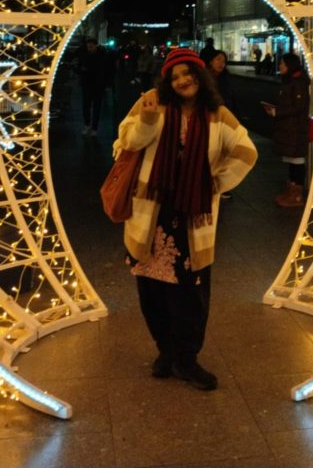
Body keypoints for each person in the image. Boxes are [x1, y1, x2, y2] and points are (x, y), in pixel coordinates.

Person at [115, 47, 257, 390]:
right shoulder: (152, 103)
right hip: (152, 214)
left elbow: (246, 150)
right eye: (174, 76)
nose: (182, 81)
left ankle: (187, 357)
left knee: (191, 293)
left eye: (187, 73)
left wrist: (215, 183)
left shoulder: (217, 114)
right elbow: (125, 143)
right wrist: (148, 120)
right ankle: (166, 351)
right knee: (152, 290)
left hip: (192, 216)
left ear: (200, 74)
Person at [262, 51, 309, 208]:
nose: (280, 65)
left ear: (290, 65)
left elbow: (299, 107)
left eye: (282, 63)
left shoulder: (298, 82)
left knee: (297, 162)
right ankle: (291, 192)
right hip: (289, 129)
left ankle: (296, 196)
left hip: (295, 129)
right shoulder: (290, 81)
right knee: (291, 160)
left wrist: (277, 112)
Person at [206, 49, 239, 199]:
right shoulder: (204, 78)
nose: (221, 63)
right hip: (208, 119)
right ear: (211, 61)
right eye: (218, 59)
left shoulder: (226, 78)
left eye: (223, 61)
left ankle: (223, 186)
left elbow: (231, 99)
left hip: (225, 119)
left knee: (224, 153)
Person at [74, 37, 111, 137]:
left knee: (96, 107)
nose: (89, 48)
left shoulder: (102, 56)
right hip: (87, 84)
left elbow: (107, 70)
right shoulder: (84, 55)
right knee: (86, 106)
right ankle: (87, 125)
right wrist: (80, 70)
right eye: (88, 46)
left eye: (91, 46)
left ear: (95, 46)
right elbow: (77, 67)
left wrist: (107, 84)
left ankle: (94, 127)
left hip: (97, 85)